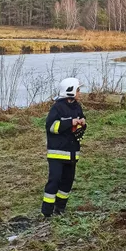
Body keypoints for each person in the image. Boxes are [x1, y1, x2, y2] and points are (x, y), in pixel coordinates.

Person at [41, 77, 86, 217]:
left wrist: (82, 125)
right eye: (78, 90)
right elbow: (52, 127)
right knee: (54, 180)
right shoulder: (57, 107)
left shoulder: (77, 107)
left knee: (67, 182)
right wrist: (70, 122)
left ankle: (60, 209)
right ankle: (46, 212)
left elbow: (80, 123)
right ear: (70, 91)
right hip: (57, 154)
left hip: (72, 153)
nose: (80, 93)